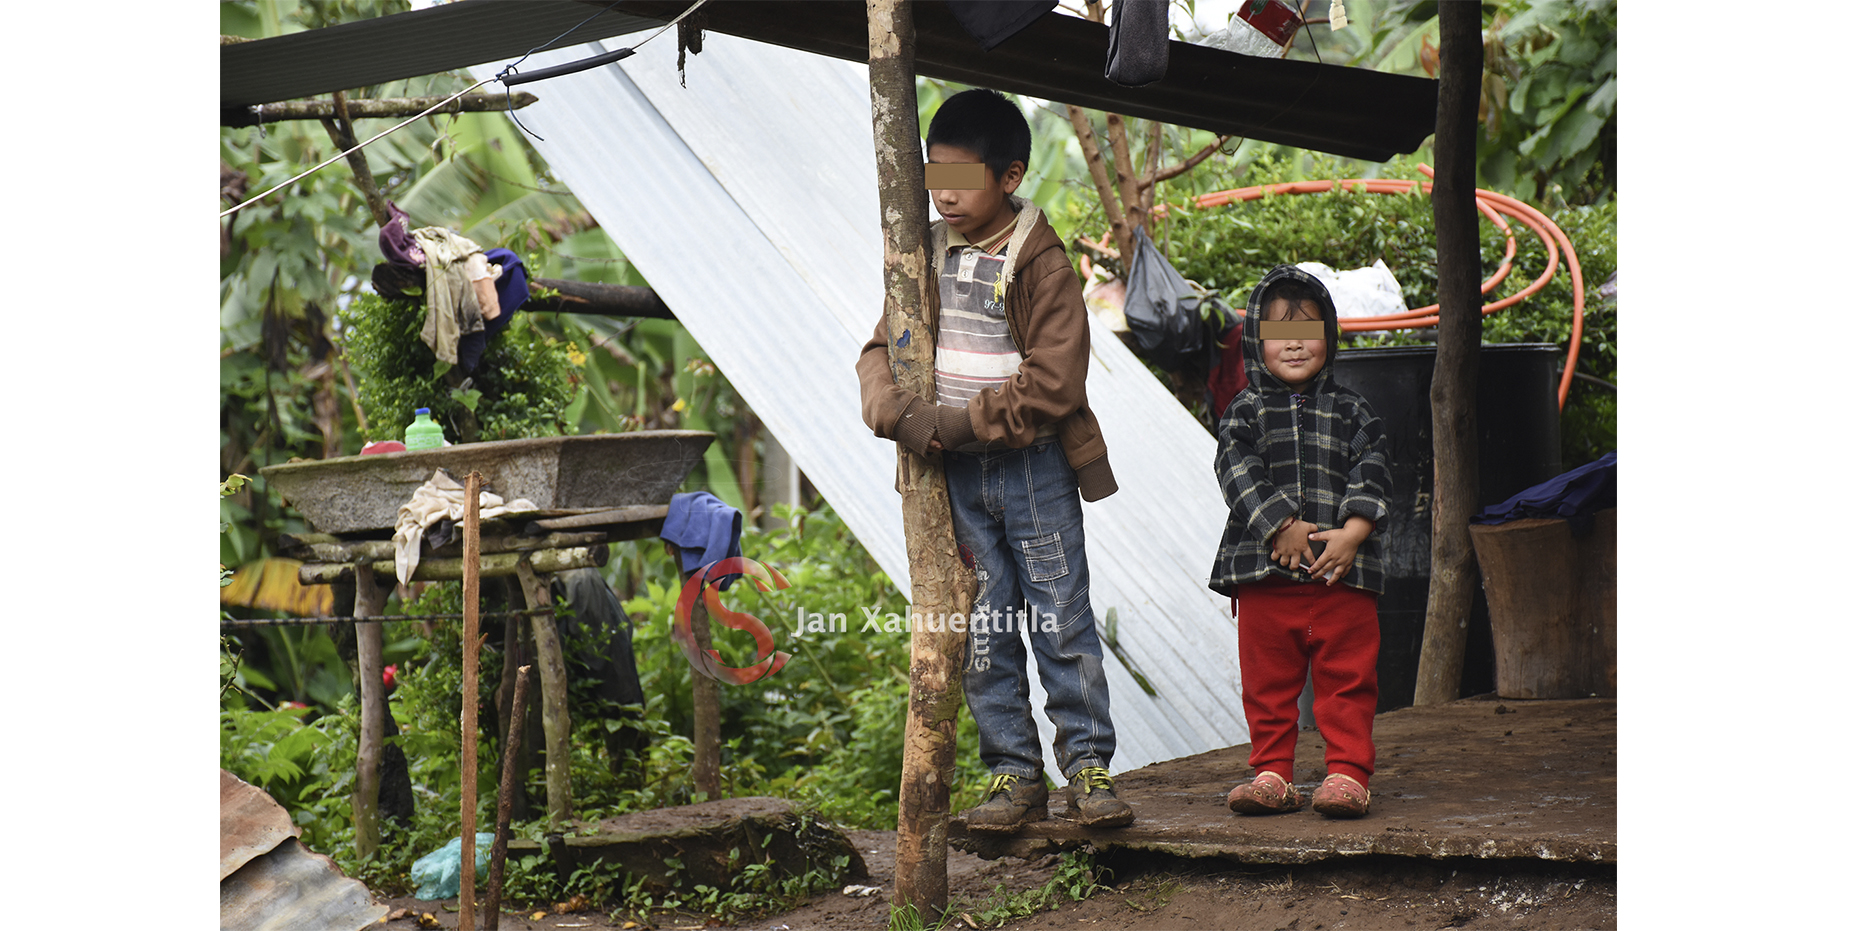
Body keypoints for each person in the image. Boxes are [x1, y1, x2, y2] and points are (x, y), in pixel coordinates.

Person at [856, 88, 1131, 832]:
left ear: (1008, 178)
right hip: (955, 477)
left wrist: (955, 423)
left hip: (1032, 471)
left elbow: (1053, 384)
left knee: (1060, 617)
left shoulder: (1040, 262)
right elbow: (879, 351)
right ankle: (1014, 773)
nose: (945, 194)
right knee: (981, 625)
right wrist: (902, 416)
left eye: (964, 180)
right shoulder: (923, 254)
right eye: (933, 177)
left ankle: (1089, 770)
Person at [1208, 266, 1391, 819]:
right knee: (1267, 684)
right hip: (1266, 580)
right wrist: (1279, 525)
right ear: (1256, 342)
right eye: (1277, 333)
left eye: (1309, 333)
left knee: (1349, 679)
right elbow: (1235, 471)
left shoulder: (1354, 411)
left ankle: (1347, 774)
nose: (1294, 344)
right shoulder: (1244, 412)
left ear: (1329, 339)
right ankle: (1271, 773)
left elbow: (1376, 469)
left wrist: (1355, 533)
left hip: (1342, 576)